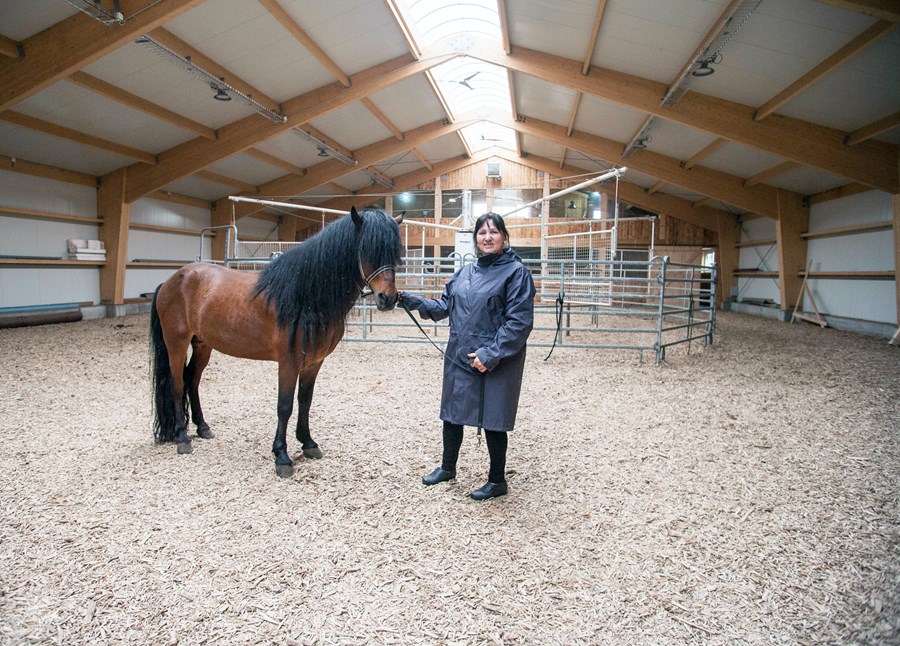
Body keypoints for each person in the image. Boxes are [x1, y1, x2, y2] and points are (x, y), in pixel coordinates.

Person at [399, 212, 536, 500]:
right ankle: (448, 468)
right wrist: (408, 299)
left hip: (495, 359)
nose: (487, 237)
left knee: (493, 420)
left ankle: (497, 481)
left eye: (494, 232)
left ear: (504, 237)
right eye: (482, 233)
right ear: (475, 239)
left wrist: (490, 354)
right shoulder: (465, 273)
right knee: (453, 413)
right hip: (460, 354)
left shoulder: (515, 273)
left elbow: (518, 322)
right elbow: (444, 306)